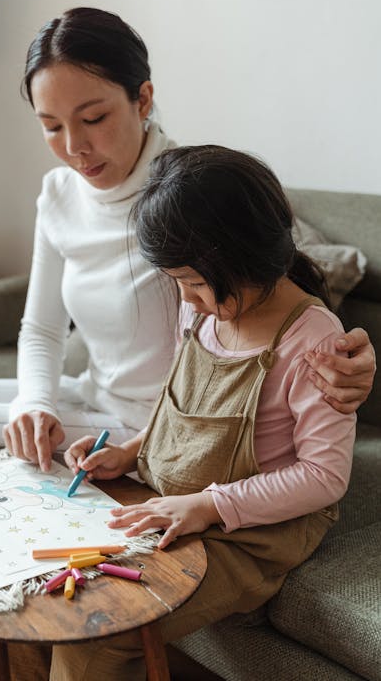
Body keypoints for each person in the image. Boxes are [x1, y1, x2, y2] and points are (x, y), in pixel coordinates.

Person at [0, 8, 374, 681]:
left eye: (93, 119)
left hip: (205, 481)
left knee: (81, 623)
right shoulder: (182, 288)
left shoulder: (196, 204)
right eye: (51, 127)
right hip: (142, 436)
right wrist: (79, 421)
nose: (75, 148)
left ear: (143, 98)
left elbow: (289, 296)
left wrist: (353, 356)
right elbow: (58, 333)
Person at [50, 144, 358, 679]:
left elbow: (324, 477)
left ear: (244, 257)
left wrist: (207, 506)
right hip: (174, 502)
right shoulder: (203, 314)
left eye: (194, 283)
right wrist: (130, 451)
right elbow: (181, 410)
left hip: (253, 534)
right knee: (37, 595)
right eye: (178, 283)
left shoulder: (313, 340)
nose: (187, 300)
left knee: (93, 634)